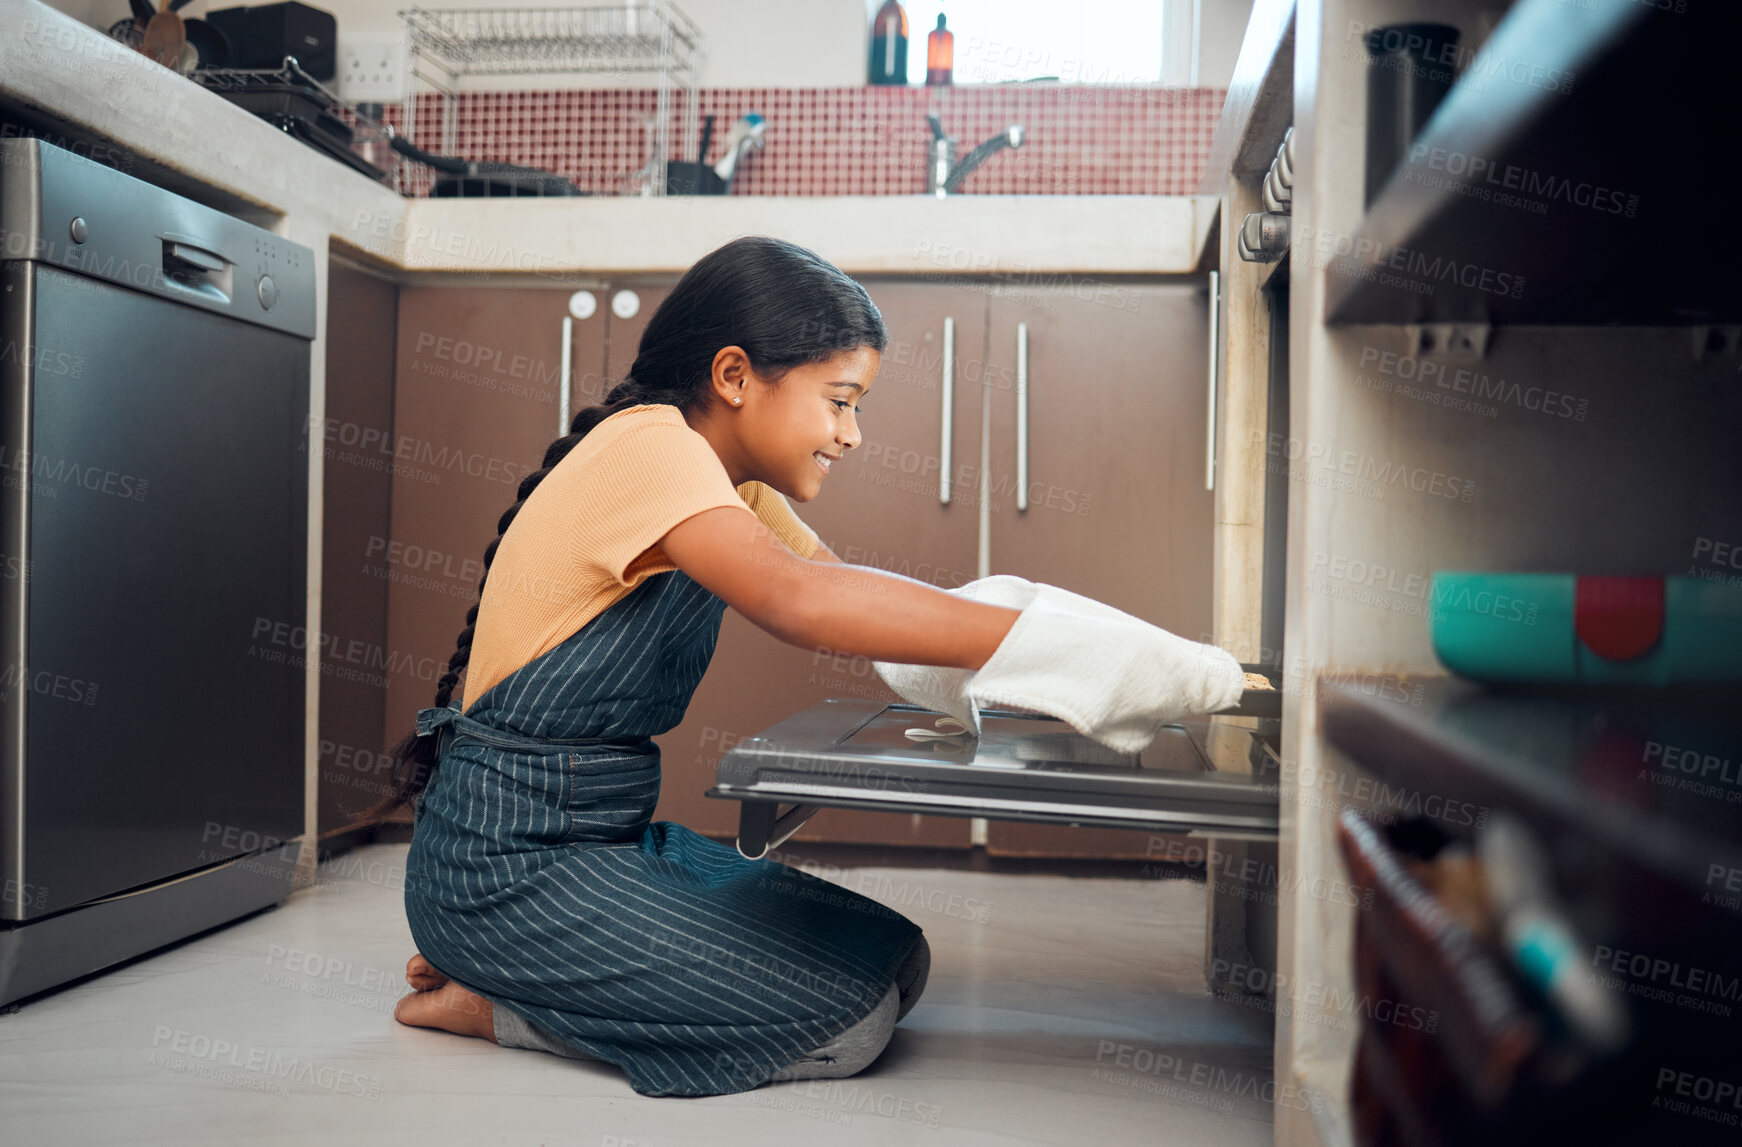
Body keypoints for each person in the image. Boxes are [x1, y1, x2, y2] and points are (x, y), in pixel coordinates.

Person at [356, 235, 1023, 1098]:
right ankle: (497, 1003)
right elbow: (798, 601)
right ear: (736, 375)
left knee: (897, 960)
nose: (852, 435)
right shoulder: (650, 450)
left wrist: (1042, 660)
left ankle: (543, 968)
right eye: (841, 400)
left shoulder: (728, 486)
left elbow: (845, 591)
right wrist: (1023, 635)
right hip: (504, 868)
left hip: (609, 843)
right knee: (852, 1021)